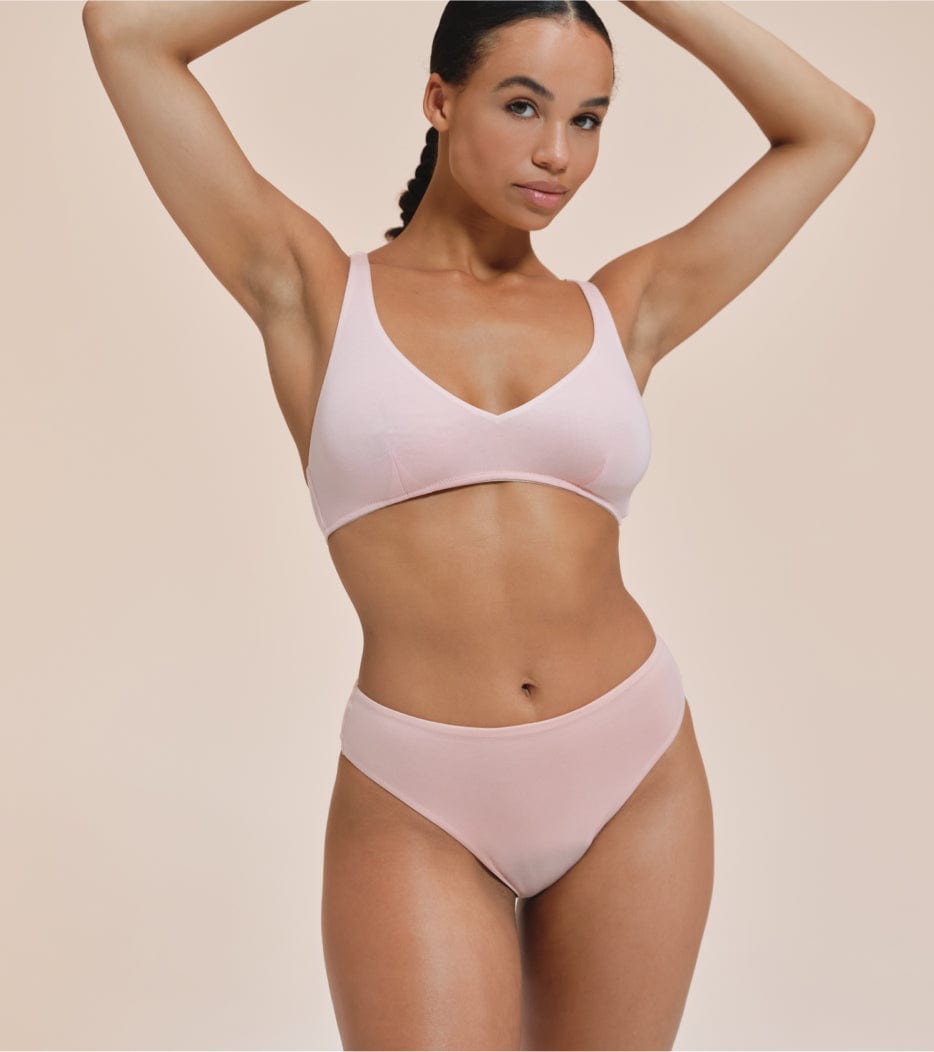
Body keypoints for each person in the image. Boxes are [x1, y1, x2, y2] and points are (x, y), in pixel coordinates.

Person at [82, 0, 874, 1047]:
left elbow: (834, 128)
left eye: (588, 119)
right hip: (422, 794)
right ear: (439, 99)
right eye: (522, 105)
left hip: (636, 768)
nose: (557, 154)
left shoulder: (623, 307)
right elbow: (126, 33)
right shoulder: (314, 293)